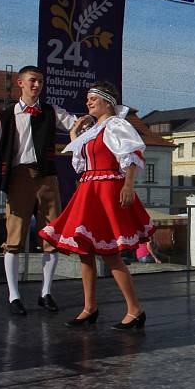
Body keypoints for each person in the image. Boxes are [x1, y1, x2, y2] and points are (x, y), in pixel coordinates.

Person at [39, 82, 155, 330]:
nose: (88, 102)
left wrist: (128, 185)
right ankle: (89, 307)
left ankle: (135, 309)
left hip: (107, 189)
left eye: (93, 99)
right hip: (89, 190)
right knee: (85, 252)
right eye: (88, 99)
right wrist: (74, 136)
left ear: (107, 102)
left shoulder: (116, 125)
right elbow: (81, 164)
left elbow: (131, 155)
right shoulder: (95, 130)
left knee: (110, 253)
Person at [0, 65, 80, 316]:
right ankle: (14, 295)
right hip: (18, 179)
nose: (37, 85)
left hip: (46, 179)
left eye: (40, 81)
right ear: (20, 83)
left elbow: (77, 125)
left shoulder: (51, 111)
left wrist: (103, 120)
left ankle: (46, 293)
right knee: (14, 240)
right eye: (32, 81)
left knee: (51, 238)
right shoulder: (6, 116)